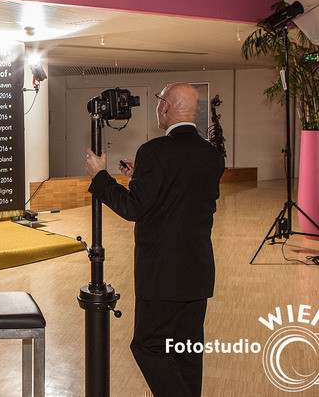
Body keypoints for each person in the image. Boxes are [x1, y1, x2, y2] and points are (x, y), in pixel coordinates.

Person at [84, 82, 224, 397]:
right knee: (187, 350)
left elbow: (133, 208)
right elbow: (181, 189)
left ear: (165, 107)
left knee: (148, 346)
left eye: (160, 101)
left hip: (162, 273)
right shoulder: (212, 155)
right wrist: (142, 174)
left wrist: (100, 176)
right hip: (198, 270)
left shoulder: (154, 151)